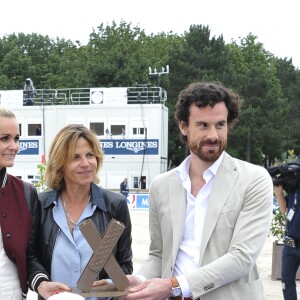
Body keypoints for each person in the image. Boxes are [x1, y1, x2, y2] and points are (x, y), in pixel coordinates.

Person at [121, 82, 273, 300]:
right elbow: (159, 255)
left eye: (220, 125)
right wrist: (141, 281)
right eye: (203, 125)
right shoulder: (161, 186)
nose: (213, 135)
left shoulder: (254, 180)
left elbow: (242, 258)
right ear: (184, 126)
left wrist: (174, 285)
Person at [27, 124, 133, 300]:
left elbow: (125, 264)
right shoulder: (39, 204)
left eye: (90, 155)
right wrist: (42, 283)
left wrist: (110, 285)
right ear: (60, 164)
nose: (86, 163)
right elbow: (30, 256)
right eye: (75, 157)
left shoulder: (116, 205)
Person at [0, 105, 39, 300]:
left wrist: (41, 282)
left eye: (16, 138)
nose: (14, 146)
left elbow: (31, 254)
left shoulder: (27, 192)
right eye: (4, 138)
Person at [274, 181, 300, 300]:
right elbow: (284, 209)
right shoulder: (294, 186)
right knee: (287, 281)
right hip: (290, 245)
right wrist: (278, 191)